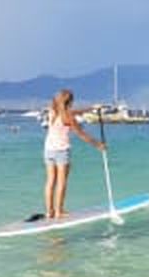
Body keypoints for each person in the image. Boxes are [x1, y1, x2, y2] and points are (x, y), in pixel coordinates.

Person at [44, 89, 105, 219]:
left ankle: (50, 211)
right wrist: (98, 144)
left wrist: (91, 108)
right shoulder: (68, 117)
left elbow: (74, 111)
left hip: (48, 150)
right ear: (70, 102)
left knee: (50, 182)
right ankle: (59, 211)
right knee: (61, 182)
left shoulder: (52, 110)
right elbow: (81, 135)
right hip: (61, 151)